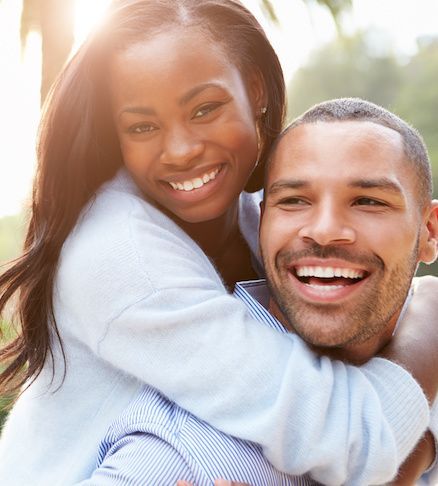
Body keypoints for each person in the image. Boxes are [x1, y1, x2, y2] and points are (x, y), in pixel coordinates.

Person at [0, 1, 436, 484]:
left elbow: (357, 391)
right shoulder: (121, 254)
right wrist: (428, 331)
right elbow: (347, 438)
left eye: (206, 109)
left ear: (255, 89)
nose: (182, 149)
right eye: (142, 126)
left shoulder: (261, 219)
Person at [77, 98, 438, 486]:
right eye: (294, 201)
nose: (324, 229)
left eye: (368, 201)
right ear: (263, 220)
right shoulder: (182, 450)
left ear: (429, 232)